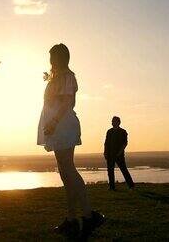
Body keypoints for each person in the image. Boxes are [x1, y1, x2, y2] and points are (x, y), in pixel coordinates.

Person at [37, 43, 105, 238]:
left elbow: (67, 103)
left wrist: (54, 122)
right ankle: (72, 219)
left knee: (68, 170)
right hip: (57, 127)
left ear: (59, 57)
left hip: (63, 126)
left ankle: (89, 215)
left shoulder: (67, 76)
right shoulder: (58, 77)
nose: (50, 60)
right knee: (65, 173)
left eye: (52, 56)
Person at [104, 116, 135, 190]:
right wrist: (105, 152)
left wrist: (120, 152)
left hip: (119, 155)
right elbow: (106, 143)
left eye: (114, 121)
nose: (112, 123)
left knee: (124, 170)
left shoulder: (123, 132)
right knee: (110, 171)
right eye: (112, 121)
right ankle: (112, 187)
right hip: (109, 154)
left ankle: (131, 185)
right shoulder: (109, 131)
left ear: (118, 122)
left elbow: (125, 143)